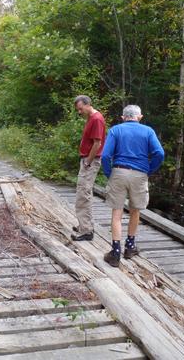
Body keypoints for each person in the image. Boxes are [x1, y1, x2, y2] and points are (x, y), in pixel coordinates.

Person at [101, 105, 165, 267]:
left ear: (123, 117)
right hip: (140, 174)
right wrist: (149, 170)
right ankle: (130, 248)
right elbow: (160, 153)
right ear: (140, 117)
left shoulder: (116, 130)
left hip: (119, 172)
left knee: (117, 212)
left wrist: (110, 174)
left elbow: (106, 155)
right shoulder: (148, 131)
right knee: (135, 211)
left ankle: (115, 253)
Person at [71, 95, 106, 241]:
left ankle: (86, 231)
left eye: (80, 109)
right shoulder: (91, 118)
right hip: (87, 160)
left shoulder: (97, 119)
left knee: (83, 195)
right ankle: (84, 225)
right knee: (84, 193)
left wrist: (88, 162)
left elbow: (97, 143)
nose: (79, 112)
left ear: (87, 104)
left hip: (90, 161)